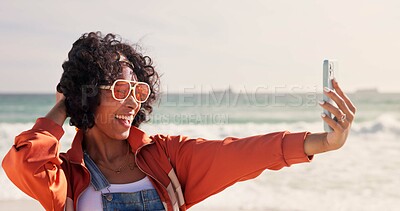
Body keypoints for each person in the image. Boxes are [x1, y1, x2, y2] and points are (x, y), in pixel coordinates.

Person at [2, 32, 356, 211]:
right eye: (121, 88)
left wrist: (323, 143)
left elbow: (247, 153)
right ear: (89, 92)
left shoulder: (167, 157)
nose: (131, 101)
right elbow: (23, 162)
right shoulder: (66, 176)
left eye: (139, 90)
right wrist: (64, 106)